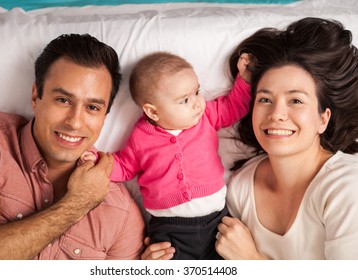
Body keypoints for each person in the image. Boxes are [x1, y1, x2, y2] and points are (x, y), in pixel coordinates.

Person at [0, 33, 145, 260]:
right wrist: (79, 203)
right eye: (63, 100)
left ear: (104, 116)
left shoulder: (121, 217)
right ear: (35, 96)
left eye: (92, 107)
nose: (74, 122)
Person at [82, 51, 252, 259]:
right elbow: (124, 166)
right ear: (153, 112)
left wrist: (244, 80)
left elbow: (234, 106)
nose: (198, 103)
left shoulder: (206, 116)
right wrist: (97, 160)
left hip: (217, 223)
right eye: (184, 100)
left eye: (197, 92)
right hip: (170, 233)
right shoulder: (141, 138)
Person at [214, 17, 358, 259]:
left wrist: (253, 263)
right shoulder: (241, 187)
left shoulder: (346, 189)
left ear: (323, 118)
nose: (276, 114)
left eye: (296, 100)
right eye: (265, 99)